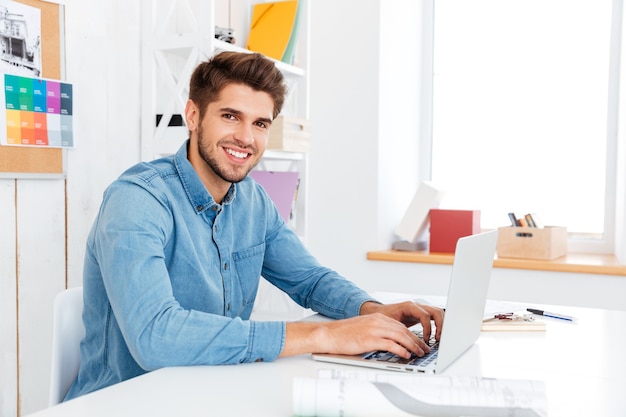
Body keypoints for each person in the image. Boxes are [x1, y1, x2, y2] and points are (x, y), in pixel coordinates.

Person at [65, 51, 444, 401]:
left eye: (260, 123)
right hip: (123, 402)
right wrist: (323, 334)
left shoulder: (253, 201)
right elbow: (155, 335)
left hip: (210, 392)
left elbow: (309, 280)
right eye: (230, 116)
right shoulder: (137, 199)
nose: (246, 138)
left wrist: (372, 310)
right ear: (193, 116)